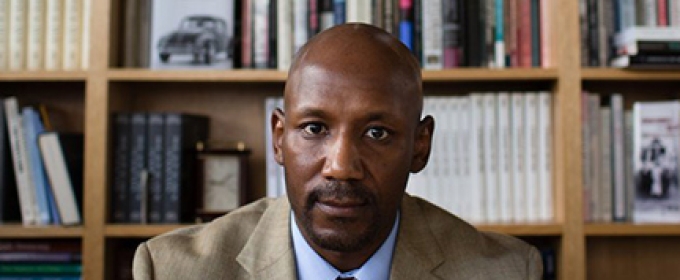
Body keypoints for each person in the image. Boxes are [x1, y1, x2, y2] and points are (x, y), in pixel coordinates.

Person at [133, 23, 542, 280]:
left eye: (377, 133)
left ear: (420, 147)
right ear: (278, 137)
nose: (341, 167)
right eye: (314, 128)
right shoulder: (170, 270)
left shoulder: (505, 271)